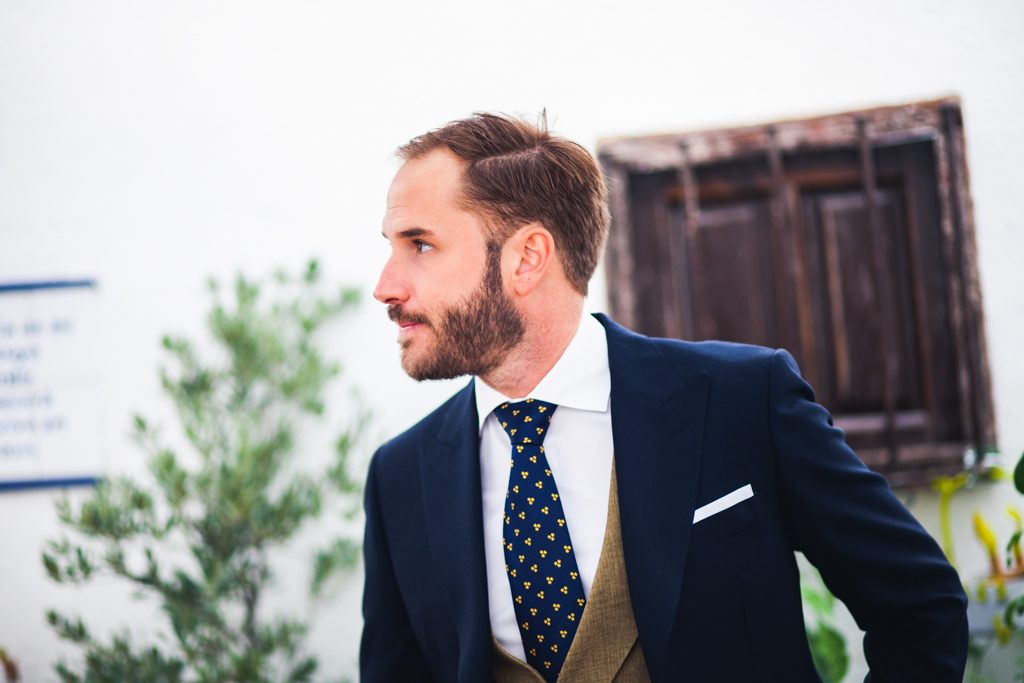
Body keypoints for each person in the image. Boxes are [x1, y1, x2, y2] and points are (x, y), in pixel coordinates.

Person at [361, 113, 968, 683]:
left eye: (420, 244)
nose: (385, 286)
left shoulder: (740, 400)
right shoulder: (399, 478)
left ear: (527, 258)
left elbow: (918, 606)